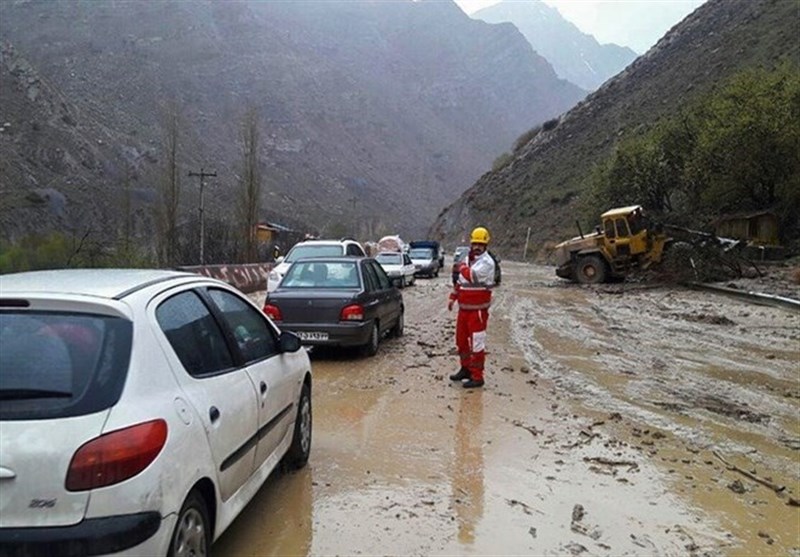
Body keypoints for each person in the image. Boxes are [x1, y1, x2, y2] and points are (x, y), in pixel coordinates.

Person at [447, 226, 495, 389]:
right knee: (461, 341)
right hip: (464, 308)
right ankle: (465, 368)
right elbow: (460, 281)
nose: (477, 247)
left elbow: (471, 275)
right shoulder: (468, 259)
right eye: (475, 244)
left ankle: (477, 376)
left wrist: (461, 267)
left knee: (477, 343)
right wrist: (453, 297)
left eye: (480, 245)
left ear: (485, 245)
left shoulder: (487, 262)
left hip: (478, 310)